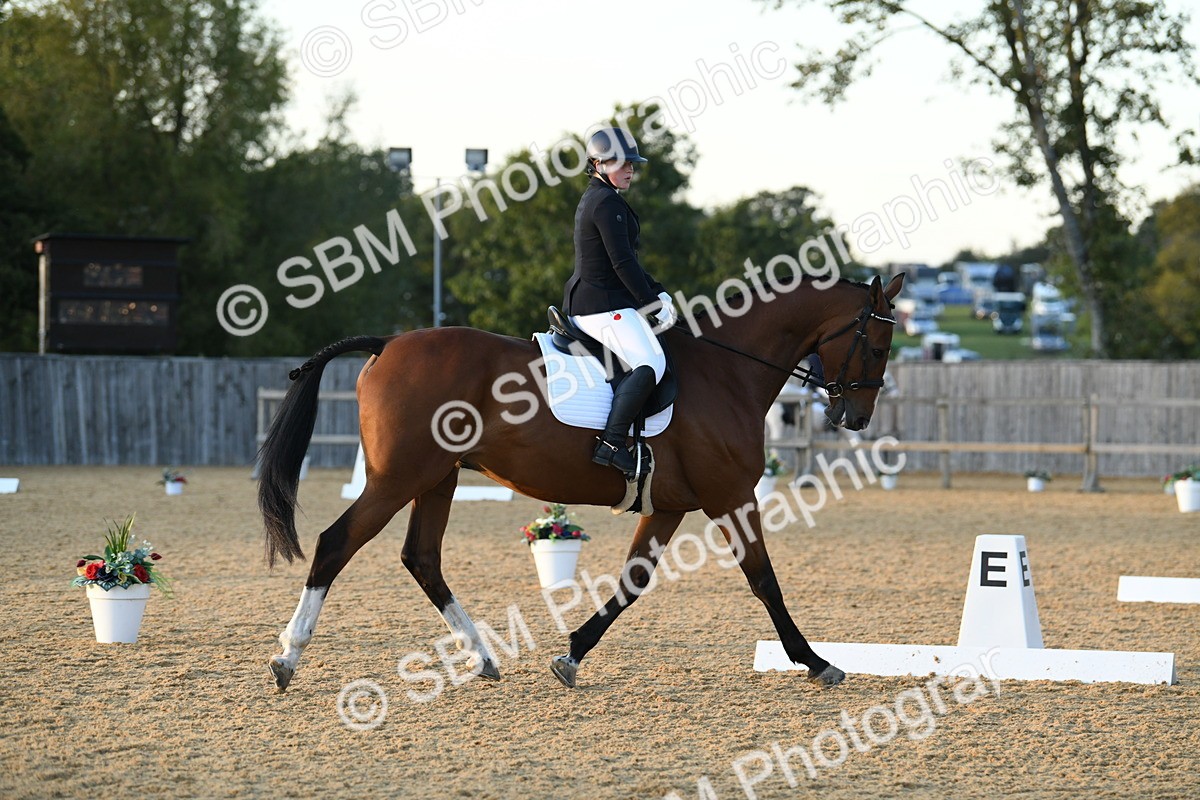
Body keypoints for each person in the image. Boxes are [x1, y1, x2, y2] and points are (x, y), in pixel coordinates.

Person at [562, 127, 677, 475]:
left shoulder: (600, 196)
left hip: (600, 299)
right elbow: (622, 263)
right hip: (600, 305)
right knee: (650, 363)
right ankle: (611, 444)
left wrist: (657, 291)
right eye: (622, 163)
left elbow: (627, 260)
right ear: (598, 162)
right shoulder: (606, 201)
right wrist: (651, 302)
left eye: (632, 163)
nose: (630, 170)